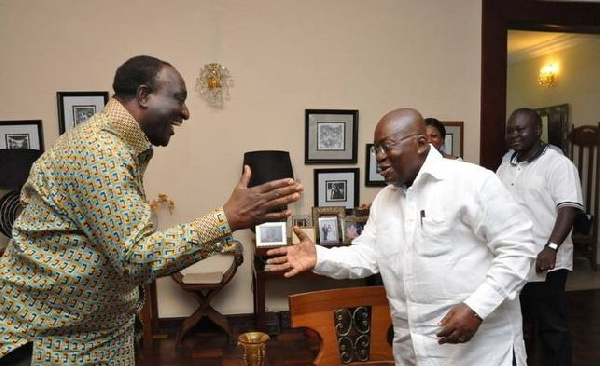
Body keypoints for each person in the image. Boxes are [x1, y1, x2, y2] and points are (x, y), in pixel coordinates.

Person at [0, 55, 303, 365]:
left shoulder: (115, 147)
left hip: (94, 339)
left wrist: (228, 225)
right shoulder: (99, 152)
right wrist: (227, 219)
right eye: (179, 98)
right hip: (52, 347)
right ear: (144, 95)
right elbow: (136, 257)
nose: (185, 111)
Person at [267, 108, 538, 366]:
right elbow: (367, 256)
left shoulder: (472, 182)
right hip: (415, 351)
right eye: (376, 150)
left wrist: (477, 308)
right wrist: (319, 256)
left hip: (480, 351)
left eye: (387, 147)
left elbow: (519, 251)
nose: (380, 158)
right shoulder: (384, 200)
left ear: (421, 143)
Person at [496, 108, 583, 366]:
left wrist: (551, 247)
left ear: (537, 130)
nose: (514, 135)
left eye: (521, 129)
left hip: (545, 259)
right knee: (516, 323)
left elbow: (569, 208)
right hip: (514, 259)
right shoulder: (504, 166)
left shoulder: (558, 164)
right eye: (510, 130)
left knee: (551, 325)